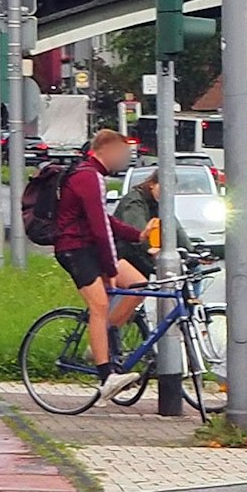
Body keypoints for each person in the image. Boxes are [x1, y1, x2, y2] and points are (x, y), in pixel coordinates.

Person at [52, 129, 150, 401]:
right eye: (122, 153)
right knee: (100, 305)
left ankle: (100, 341)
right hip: (75, 249)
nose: (125, 159)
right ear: (105, 150)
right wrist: (110, 269)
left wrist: (137, 235)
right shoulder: (88, 176)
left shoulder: (94, 175)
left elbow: (105, 221)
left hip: (88, 247)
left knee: (139, 285)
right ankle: (106, 377)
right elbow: (99, 229)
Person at [111, 171, 190, 280]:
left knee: (190, 271)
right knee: (138, 286)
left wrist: (190, 250)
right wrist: (149, 248)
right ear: (152, 184)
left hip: (140, 256)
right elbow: (139, 231)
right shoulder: (134, 202)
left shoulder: (159, 203)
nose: (167, 193)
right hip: (125, 255)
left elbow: (175, 228)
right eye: (164, 188)